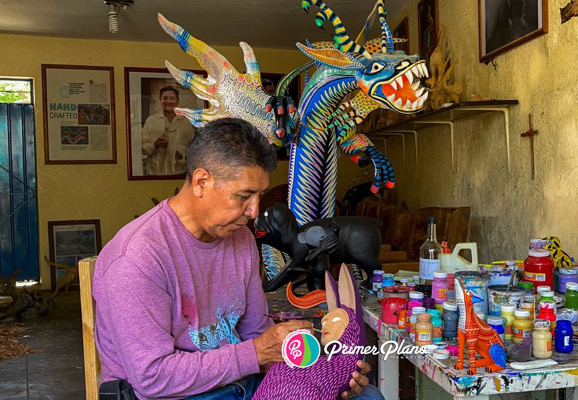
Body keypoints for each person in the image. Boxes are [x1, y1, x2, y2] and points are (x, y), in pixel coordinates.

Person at [93, 118, 382, 400]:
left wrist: (326, 374)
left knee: (365, 395)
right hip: (174, 394)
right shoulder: (136, 258)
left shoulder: (239, 236)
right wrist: (255, 353)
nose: (254, 210)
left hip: (243, 384)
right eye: (244, 195)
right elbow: (152, 378)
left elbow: (255, 331)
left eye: (259, 195)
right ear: (201, 182)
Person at [141, 85, 196, 176]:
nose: (168, 101)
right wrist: (155, 145)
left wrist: (179, 152)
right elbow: (143, 148)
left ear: (177, 101)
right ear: (160, 100)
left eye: (172, 98)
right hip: (155, 173)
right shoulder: (151, 121)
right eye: (165, 98)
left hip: (179, 173)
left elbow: (193, 150)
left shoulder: (186, 122)